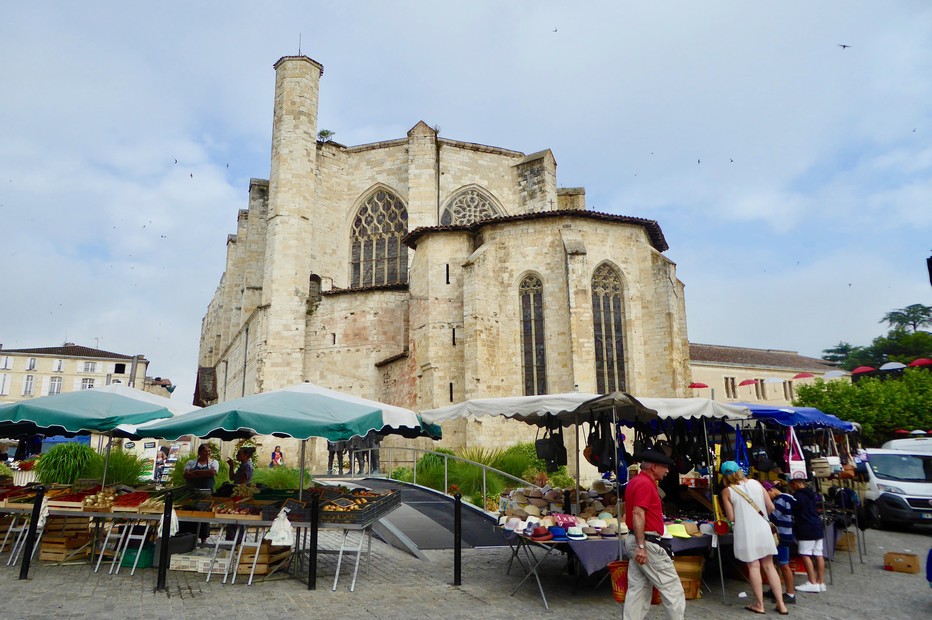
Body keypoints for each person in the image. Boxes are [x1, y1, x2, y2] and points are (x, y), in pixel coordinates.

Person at [623, 449, 686, 620]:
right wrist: (642, 546)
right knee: (672, 589)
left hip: (638, 540)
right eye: (665, 467)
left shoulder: (636, 481)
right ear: (654, 467)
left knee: (638, 589)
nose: (667, 471)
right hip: (647, 542)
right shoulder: (644, 483)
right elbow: (638, 513)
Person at [720, 460, 788, 615]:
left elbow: (731, 517)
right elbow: (771, 507)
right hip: (764, 529)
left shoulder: (727, 491)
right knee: (769, 566)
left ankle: (759, 604)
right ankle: (781, 604)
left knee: (754, 566)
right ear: (739, 470)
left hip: (746, 532)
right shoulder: (757, 483)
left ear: (724, 476)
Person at [764, 480, 797, 605]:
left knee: (784, 565)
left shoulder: (781, 500)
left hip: (782, 536)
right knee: (777, 564)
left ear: (771, 490)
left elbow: (774, 516)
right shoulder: (786, 498)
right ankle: (775, 589)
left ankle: (790, 593)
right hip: (784, 535)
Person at [790, 478, 826, 593]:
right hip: (816, 525)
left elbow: (794, 510)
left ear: (795, 484)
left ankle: (812, 582)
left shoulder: (797, 496)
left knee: (805, 554)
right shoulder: (811, 494)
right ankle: (820, 582)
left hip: (806, 527)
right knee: (818, 555)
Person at [182, 444, 219, 544]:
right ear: (199, 453)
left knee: (204, 515)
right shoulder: (191, 462)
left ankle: (204, 538)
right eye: (205, 451)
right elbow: (186, 475)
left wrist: (195, 473)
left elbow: (213, 472)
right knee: (191, 513)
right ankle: (190, 536)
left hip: (206, 493)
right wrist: (205, 473)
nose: (208, 453)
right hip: (192, 493)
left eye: (209, 451)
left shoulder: (214, 462)